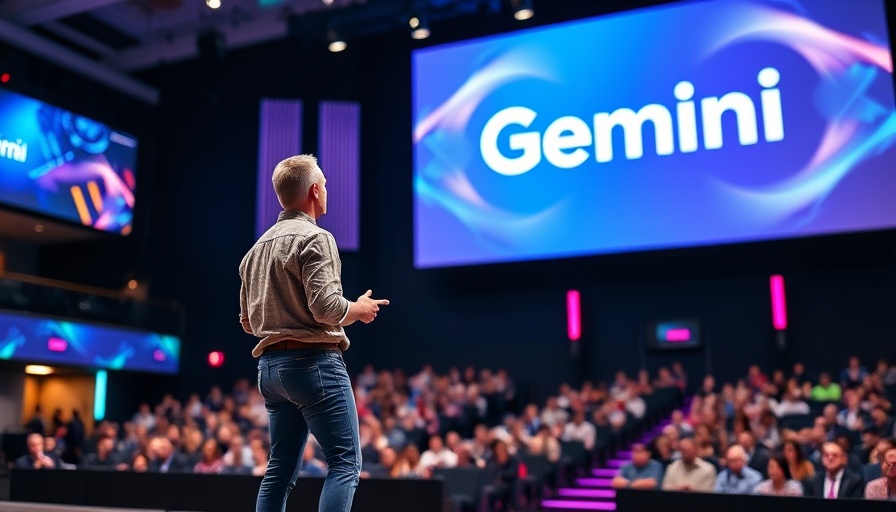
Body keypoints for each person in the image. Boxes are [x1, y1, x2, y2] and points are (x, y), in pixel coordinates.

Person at [240, 154, 389, 512]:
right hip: (314, 365)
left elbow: (247, 322)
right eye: (324, 183)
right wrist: (359, 309)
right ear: (314, 190)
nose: (327, 189)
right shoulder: (316, 238)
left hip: (270, 371)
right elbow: (327, 308)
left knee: (279, 470)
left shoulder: (254, 251)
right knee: (345, 463)